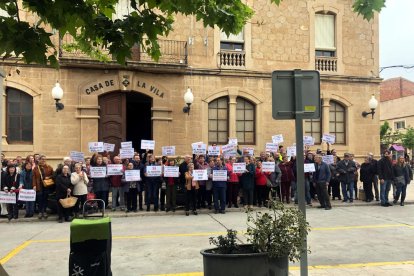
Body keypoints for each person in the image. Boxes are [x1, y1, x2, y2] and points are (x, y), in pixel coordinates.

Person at [32, 155, 54, 219]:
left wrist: (49, 177)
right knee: (39, 199)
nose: (43, 160)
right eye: (42, 159)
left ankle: (44, 211)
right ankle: (40, 212)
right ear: (39, 160)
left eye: (44, 159)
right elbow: (33, 177)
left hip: (46, 185)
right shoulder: (36, 168)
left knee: (45, 199)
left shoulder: (49, 167)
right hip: (39, 186)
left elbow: (53, 175)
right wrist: (34, 185)